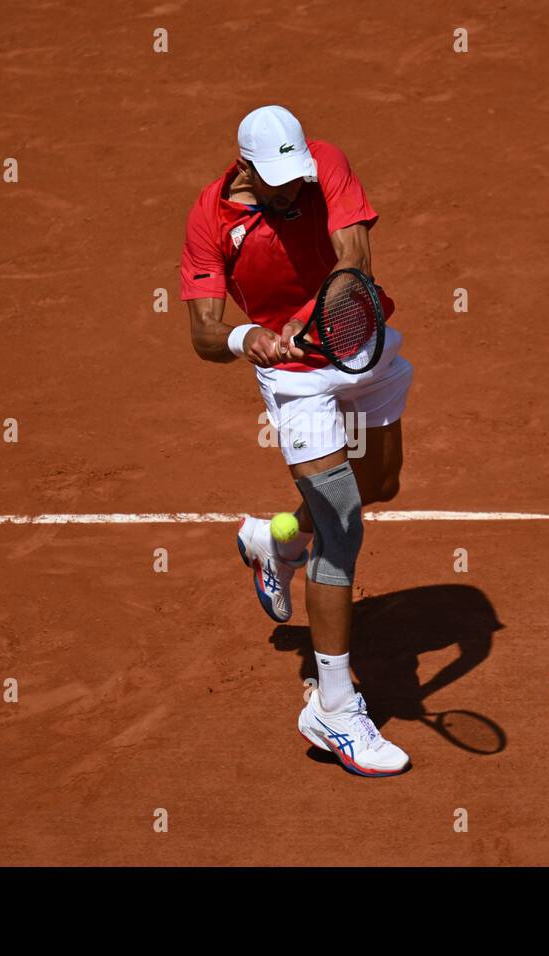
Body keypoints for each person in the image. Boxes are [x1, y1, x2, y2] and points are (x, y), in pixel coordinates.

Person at [179, 105, 415, 776]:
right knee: (342, 531)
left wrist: (315, 320)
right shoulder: (210, 221)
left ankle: (277, 540)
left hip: (359, 343)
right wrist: (242, 337)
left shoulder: (323, 163)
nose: (293, 186)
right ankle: (334, 709)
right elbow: (201, 330)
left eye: (297, 173)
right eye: (276, 178)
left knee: (381, 487)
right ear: (247, 166)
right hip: (296, 383)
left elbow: (354, 255)